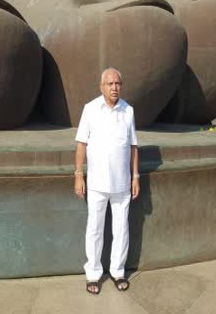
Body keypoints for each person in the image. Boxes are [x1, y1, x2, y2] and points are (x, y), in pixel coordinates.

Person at [74, 68, 140, 295]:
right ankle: (93, 274)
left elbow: (133, 146)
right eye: (110, 84)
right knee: (95, 229)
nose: (114, 87)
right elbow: (81, 144)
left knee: (121, 229)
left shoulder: (128, 111)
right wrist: (78, 175)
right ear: (101, 86)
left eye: (118, 83)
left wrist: (136, 176)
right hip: (96, 183)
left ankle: (118, 271)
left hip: (122, 183)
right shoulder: (90, 110)